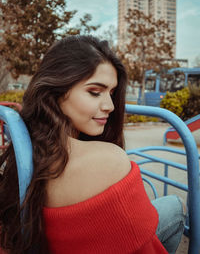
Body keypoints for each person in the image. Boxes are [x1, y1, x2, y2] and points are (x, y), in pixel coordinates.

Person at [0, 35, 185, 254]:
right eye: (95, 92)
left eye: (112, 93)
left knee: (172, 205)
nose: (110, 106)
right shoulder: (110, 160)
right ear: (55, 91)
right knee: (176, 205)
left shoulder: (28, 146)